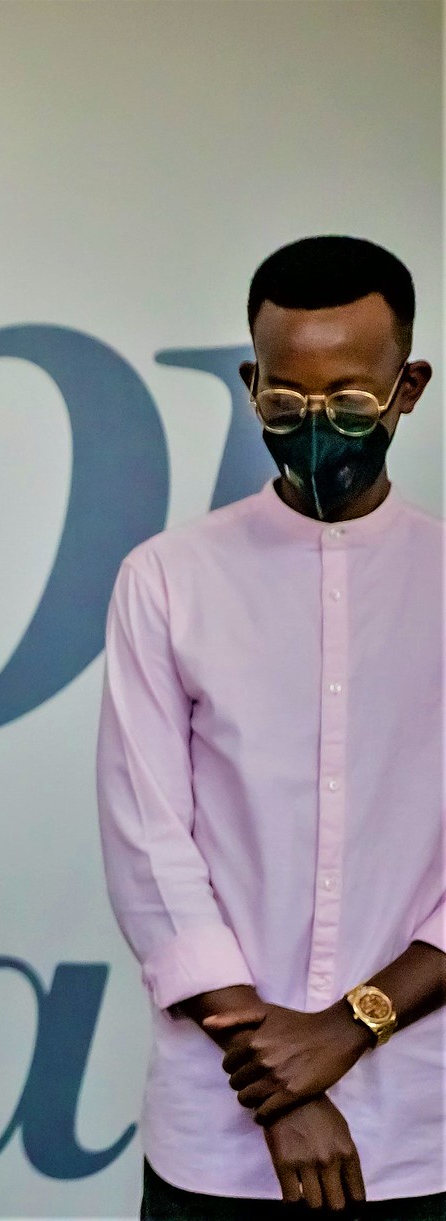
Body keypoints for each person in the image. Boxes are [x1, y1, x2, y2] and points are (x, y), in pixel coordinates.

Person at [98, 236, 444, 1218]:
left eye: (346, 401)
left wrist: (347, 1031)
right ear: (250, 384)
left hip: (423, 1127)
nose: (314, 428)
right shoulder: (167, 579)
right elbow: (148, 850)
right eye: (285, 404)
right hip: (214, 1133)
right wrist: (279, 1087)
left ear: (405, 386)